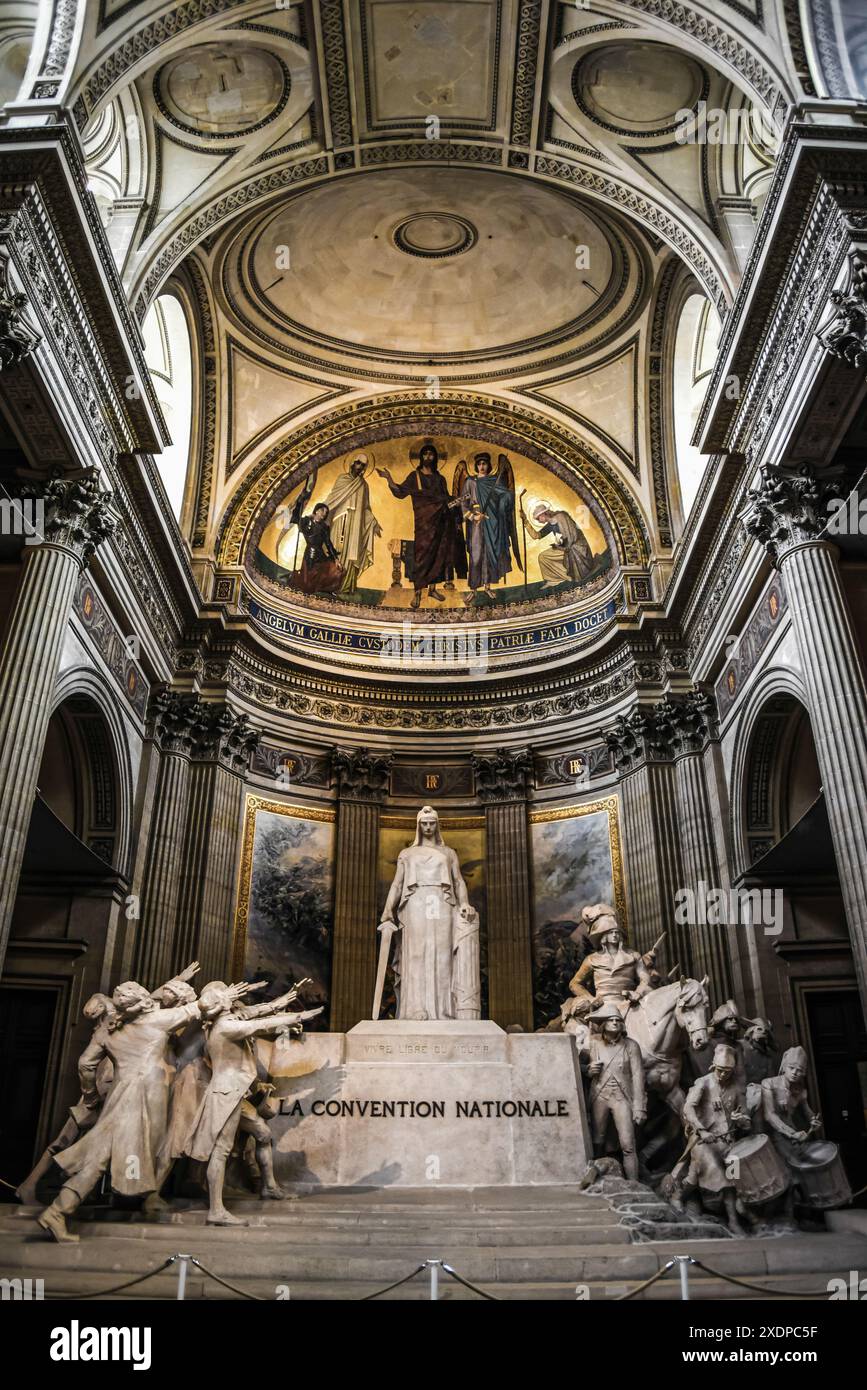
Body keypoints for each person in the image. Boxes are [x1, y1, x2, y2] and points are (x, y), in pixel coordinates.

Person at [37, 980, 203, 1243]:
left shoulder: (107, 1028)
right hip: (144, 1098)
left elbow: (85, 1064)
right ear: (144, 1000)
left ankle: (59, 1210)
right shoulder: (156, 1021)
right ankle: (59, 1211)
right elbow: (200, 1007)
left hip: (119, 1096)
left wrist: (90, 1095)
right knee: (113, 1152)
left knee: (100, 1154)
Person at [185, 980, 322, 1226]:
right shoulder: (226, 1026)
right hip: (227, 1093)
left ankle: (267, 1186)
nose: (233, 994)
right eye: (227, 992)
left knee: (261, 1134)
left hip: (235, 1092)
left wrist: (289, 996)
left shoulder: (227, 1021)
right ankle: (216, 1210)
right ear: (220, 1002)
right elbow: (260, 1024)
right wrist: (295, 1017)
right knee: (221, 1150)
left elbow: (258, 1012)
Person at [16, 993, 117, 1205]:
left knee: (79, 1142)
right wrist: (91, 1096)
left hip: (109, 1086)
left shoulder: (114, 1017)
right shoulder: (110, 1020)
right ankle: (30, 1184)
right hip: (101, 1090)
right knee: (65, 1139)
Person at [379, 805, 476, 1021]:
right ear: (418, 826)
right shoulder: (407, 854)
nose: (428, 827)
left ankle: (443, 1011)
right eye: (424, 824)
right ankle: (414, 1009)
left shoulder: (448, 853)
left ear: (438, 825)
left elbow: (458, 881)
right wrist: (387, 911)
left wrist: (464, 904)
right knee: (415, 955)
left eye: (432, 823)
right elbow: (397, 884)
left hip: (442, 903)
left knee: (442, 955)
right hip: (415, 904)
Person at [377, 441, 467, 609]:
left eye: (431, 454)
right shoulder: (414, 476)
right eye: (425, 454)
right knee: (421, 558)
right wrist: (389, 479)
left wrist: (459, 502)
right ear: (420, 457)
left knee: (438, 556)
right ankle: (417, 593)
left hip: (440, 522)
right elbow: (400, 492)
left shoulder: (440, 479)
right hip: (424, 524)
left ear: (435, 458)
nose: (428, 457)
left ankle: (432, 590)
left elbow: (446, 499)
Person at [680, 1042, 752, 1235]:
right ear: (713, 1066)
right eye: (720, 1070)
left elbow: (747, 1122)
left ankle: (734, 1220)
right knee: (701, 1172)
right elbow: (688, 1108)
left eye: (727, 1071)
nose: (723, 1075)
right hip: (704, 1141)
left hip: (729, 1143)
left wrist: (741, 1119)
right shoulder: (703, 1083)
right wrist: (702, 1130)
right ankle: (679, 1195)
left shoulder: (737, 1089)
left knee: (734, 1179)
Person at [586, 1000, 647, 1181]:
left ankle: (634, 1184)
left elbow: (638, 1077)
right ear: (604, 1023)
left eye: (617, 1020)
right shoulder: (593, 1043)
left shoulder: (631, 1046)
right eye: (611, 1019)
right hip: (600, 1096)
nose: (615, 1022)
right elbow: (577, 1065)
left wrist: (639, 1107)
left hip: (622, 1098)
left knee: (628, 1145)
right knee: (597, 1141)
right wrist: (589, 1070)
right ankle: (596, 1179)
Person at [455, 452, 520, 604]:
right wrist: (472, 516)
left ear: (488, 465)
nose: (482, 466)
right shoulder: (470, 482)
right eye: (479, 464)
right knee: (476, 555)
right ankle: (473, 589)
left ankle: (487, 586)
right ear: (476, 466)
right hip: (476, 524)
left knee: (490, 554)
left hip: (492, 523)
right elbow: (462, 502)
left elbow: (507, 496)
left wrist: (506, 499)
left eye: (484, 464)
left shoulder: (494, 481)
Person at [568, 904, 652, 1015]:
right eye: (610, 932)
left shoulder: (633, 956)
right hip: (603, 1006)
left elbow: (645, 979)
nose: (614, 935)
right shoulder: (592, 959)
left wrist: (638, 993)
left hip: (629, 1004)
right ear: (603, 935)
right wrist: (590, 998)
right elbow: (574, 984)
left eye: (617, 932)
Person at [322, 455, 382, 595]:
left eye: (363, 465)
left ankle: (344, 586)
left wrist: (373, 522)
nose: (359, 467)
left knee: (351, 552)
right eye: (358, 463)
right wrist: (319, 513)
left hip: (355, 525)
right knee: (336, 548)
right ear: (352, 463)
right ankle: (329, 583)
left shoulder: (363, 485)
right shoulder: (342, 479)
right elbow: (333, 498)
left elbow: (366, 507)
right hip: (339, 520)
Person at [281, 476, 343, 594]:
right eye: (322, 511)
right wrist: (300, 502)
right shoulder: (305, 521)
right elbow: (295, 518)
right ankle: (297, 580)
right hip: (310, 552)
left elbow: (328, 543)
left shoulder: (325, 527)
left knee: (334, 570)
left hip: (320, 553)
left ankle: (327, 589)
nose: (324, 515)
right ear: (316, 510)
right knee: (307, 581)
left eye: (325, 513)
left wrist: (336, 558)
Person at [519, 500, 595, 588]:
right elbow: (536, 535)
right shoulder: (550, 525)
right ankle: (554, 580)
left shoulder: (561, 517)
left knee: (567, 552)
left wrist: (560, 546)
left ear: (543, 514)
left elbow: (571, 536)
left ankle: (572, 575)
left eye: (538, 518)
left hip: (577, 547)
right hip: (565, 547)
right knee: (543, 557)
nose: (538, 521)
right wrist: (525, 521)